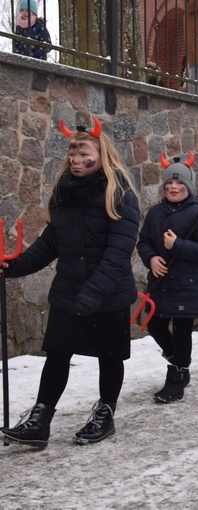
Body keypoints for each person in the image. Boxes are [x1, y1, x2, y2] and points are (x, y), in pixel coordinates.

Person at [0, 116, 139, 448]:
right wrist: (13, 266)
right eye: (72, 153)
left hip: (109, 294)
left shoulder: (119, 193)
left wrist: (93, 293)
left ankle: (105, 414)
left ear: (101, 152)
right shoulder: (65, 192)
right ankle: (40, 420)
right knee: (58, 354)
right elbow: (50, 244)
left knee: (110, 356)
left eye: (83, 152)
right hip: (68, 291)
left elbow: (119, 253)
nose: (76, 160)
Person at [136, 152, 198, 404]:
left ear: (189, 187)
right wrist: (151, 258)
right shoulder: (155, 214)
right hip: (161, 282)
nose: (173, 187)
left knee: (182, 330)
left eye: (179, 183)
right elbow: (144, 241)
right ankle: (178, 361)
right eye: (169, 183)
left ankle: (176, 376)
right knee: (154, 323)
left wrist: (176, 245)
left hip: (188, 283)